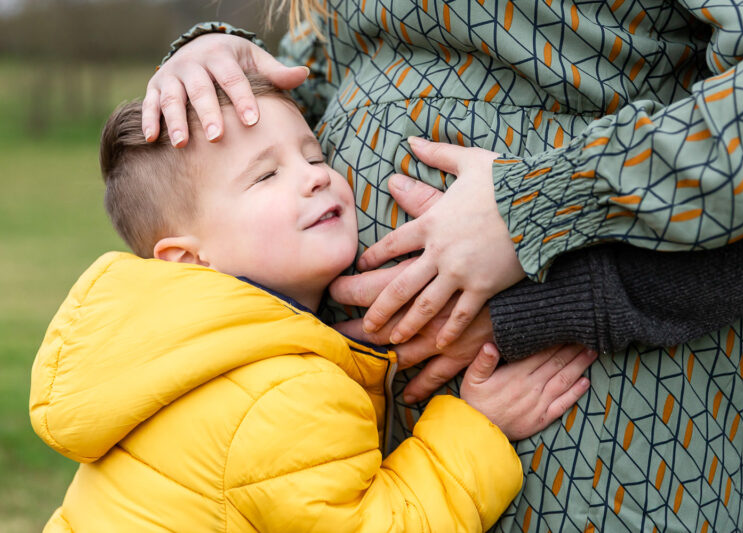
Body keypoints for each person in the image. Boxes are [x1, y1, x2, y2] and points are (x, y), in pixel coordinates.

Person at [144, 1, 743, 530]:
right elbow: (337, 64)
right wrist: (220, 63)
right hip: (369, 396)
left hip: (586, 390)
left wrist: (536, 202)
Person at [29, 78, 596, 532]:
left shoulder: (176, 352)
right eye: (266, 175)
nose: (315, 179)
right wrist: (477, 428)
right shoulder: (282, 393)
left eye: (315, 156)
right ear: (187, 259)